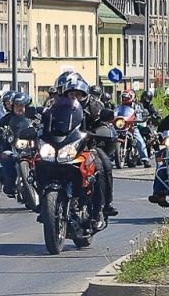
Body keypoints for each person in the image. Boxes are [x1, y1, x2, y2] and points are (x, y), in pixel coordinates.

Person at [41, 71, 118, 221]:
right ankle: (42, 203)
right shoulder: (55, 105)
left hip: (88, 146)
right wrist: (37, 128)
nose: (75, 97)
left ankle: (105, 205)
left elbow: (103, 122)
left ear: (84, 94)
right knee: (41, 161)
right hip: (63, 146)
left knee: (104, 166)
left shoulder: (95, 106)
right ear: (66, 94)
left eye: (78, 94)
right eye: (72, 94)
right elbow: (45, 120)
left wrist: (98, 131)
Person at [118, 89, 149, 165]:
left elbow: (143, 112)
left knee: (139, 140)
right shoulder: (120, 106)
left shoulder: (137, 105)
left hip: (132, 126)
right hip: (121, 126)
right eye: (124, 97)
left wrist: (142, 116)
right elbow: (115, 112)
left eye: (127, 97)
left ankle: (145, 159)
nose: (125, 99)